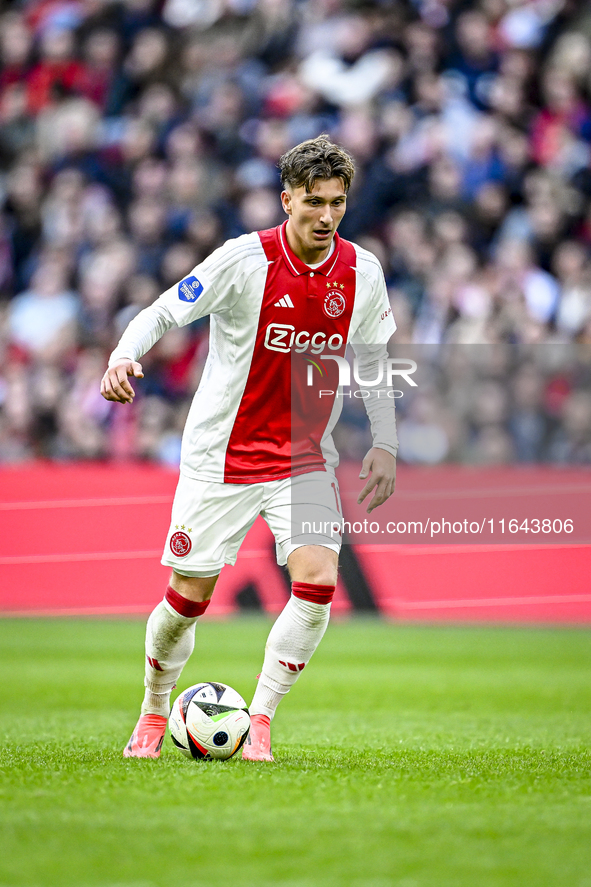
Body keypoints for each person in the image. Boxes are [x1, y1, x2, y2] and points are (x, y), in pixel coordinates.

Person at [100, 135, 398, 762]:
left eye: (337, 204)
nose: (325, 217)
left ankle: (258, 719)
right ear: (286, 198)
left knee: (316, 583)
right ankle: (154, 712)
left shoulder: (362, 273)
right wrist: (124, 354)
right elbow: (161, 312)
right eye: (313, 202)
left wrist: (385, 441)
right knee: (188, 601)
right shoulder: (244, 260)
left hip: (305, 458)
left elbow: (373, 359)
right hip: (221, 457)